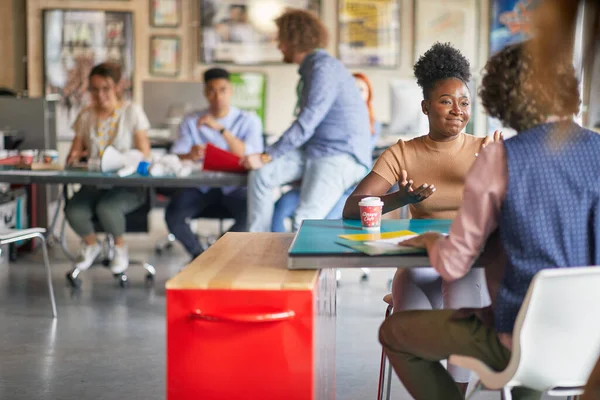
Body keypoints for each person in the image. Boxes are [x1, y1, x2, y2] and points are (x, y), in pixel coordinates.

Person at [378, 41, 590, 400]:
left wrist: (431, 241)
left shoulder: (499, 159)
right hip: (587, 336)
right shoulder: (596, 151)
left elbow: (456, 260)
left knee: (395, 333)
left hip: (515, 334)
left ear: (502, 97)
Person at [343, 42, 498, 390]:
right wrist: (403, 197)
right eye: (446, 101)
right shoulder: (402, 152)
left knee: (463, 320)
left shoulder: (486, 149)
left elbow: (512, 217)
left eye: (464, 102)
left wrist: (494, 172)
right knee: (411, 338)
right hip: (421, 265)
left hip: (470, 267)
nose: (457, 110)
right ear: (426, 106)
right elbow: (353, 208)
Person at [241, 9, 372, 232]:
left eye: (281, 38)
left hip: (339, 154)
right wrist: (266, 160)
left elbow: (307, 121)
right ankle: (257, 245)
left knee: (304, 219)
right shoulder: (312, 69)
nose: (278, 45)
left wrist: (267, 155)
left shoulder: (324, 68)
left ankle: (305, 266)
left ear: (293, 39)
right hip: (315, 150)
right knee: (261, 175)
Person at [165, 67, 263, 260]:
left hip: (235, 188)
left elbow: (251, 155)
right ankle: (200, 256)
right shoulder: (192, 120)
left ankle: (217, 255)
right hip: (201, 186)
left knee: (252, 215)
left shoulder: (248, 120)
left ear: (231, 91)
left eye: (222, 89)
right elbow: (176, 156)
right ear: (205, 93)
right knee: (173, 216)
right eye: (211, 90)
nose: (217, 96)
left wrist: (220, 130)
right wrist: (190, 154)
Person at [65, 62, 151, 274]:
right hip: (95, 185)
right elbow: (74, 153)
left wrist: (126, 160)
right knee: (74, 210)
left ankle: (120, 248)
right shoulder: (86, 116)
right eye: (94, 89)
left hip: (126, 186)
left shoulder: (132, 112)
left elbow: (145, 152)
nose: (100, 94)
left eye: (105, 88)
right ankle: (91, 244)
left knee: (107, 208)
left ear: (117, 87)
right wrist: (76, 156)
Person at [271, 72, 381, 232]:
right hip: (311, 178)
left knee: (320, 218)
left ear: (369, 95)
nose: (356, 93)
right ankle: (280, 249)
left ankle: (307, 251)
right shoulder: (328, 120)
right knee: (280, 207)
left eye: (361, 90)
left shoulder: (371, 125)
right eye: (352, 89)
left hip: (345, 186)